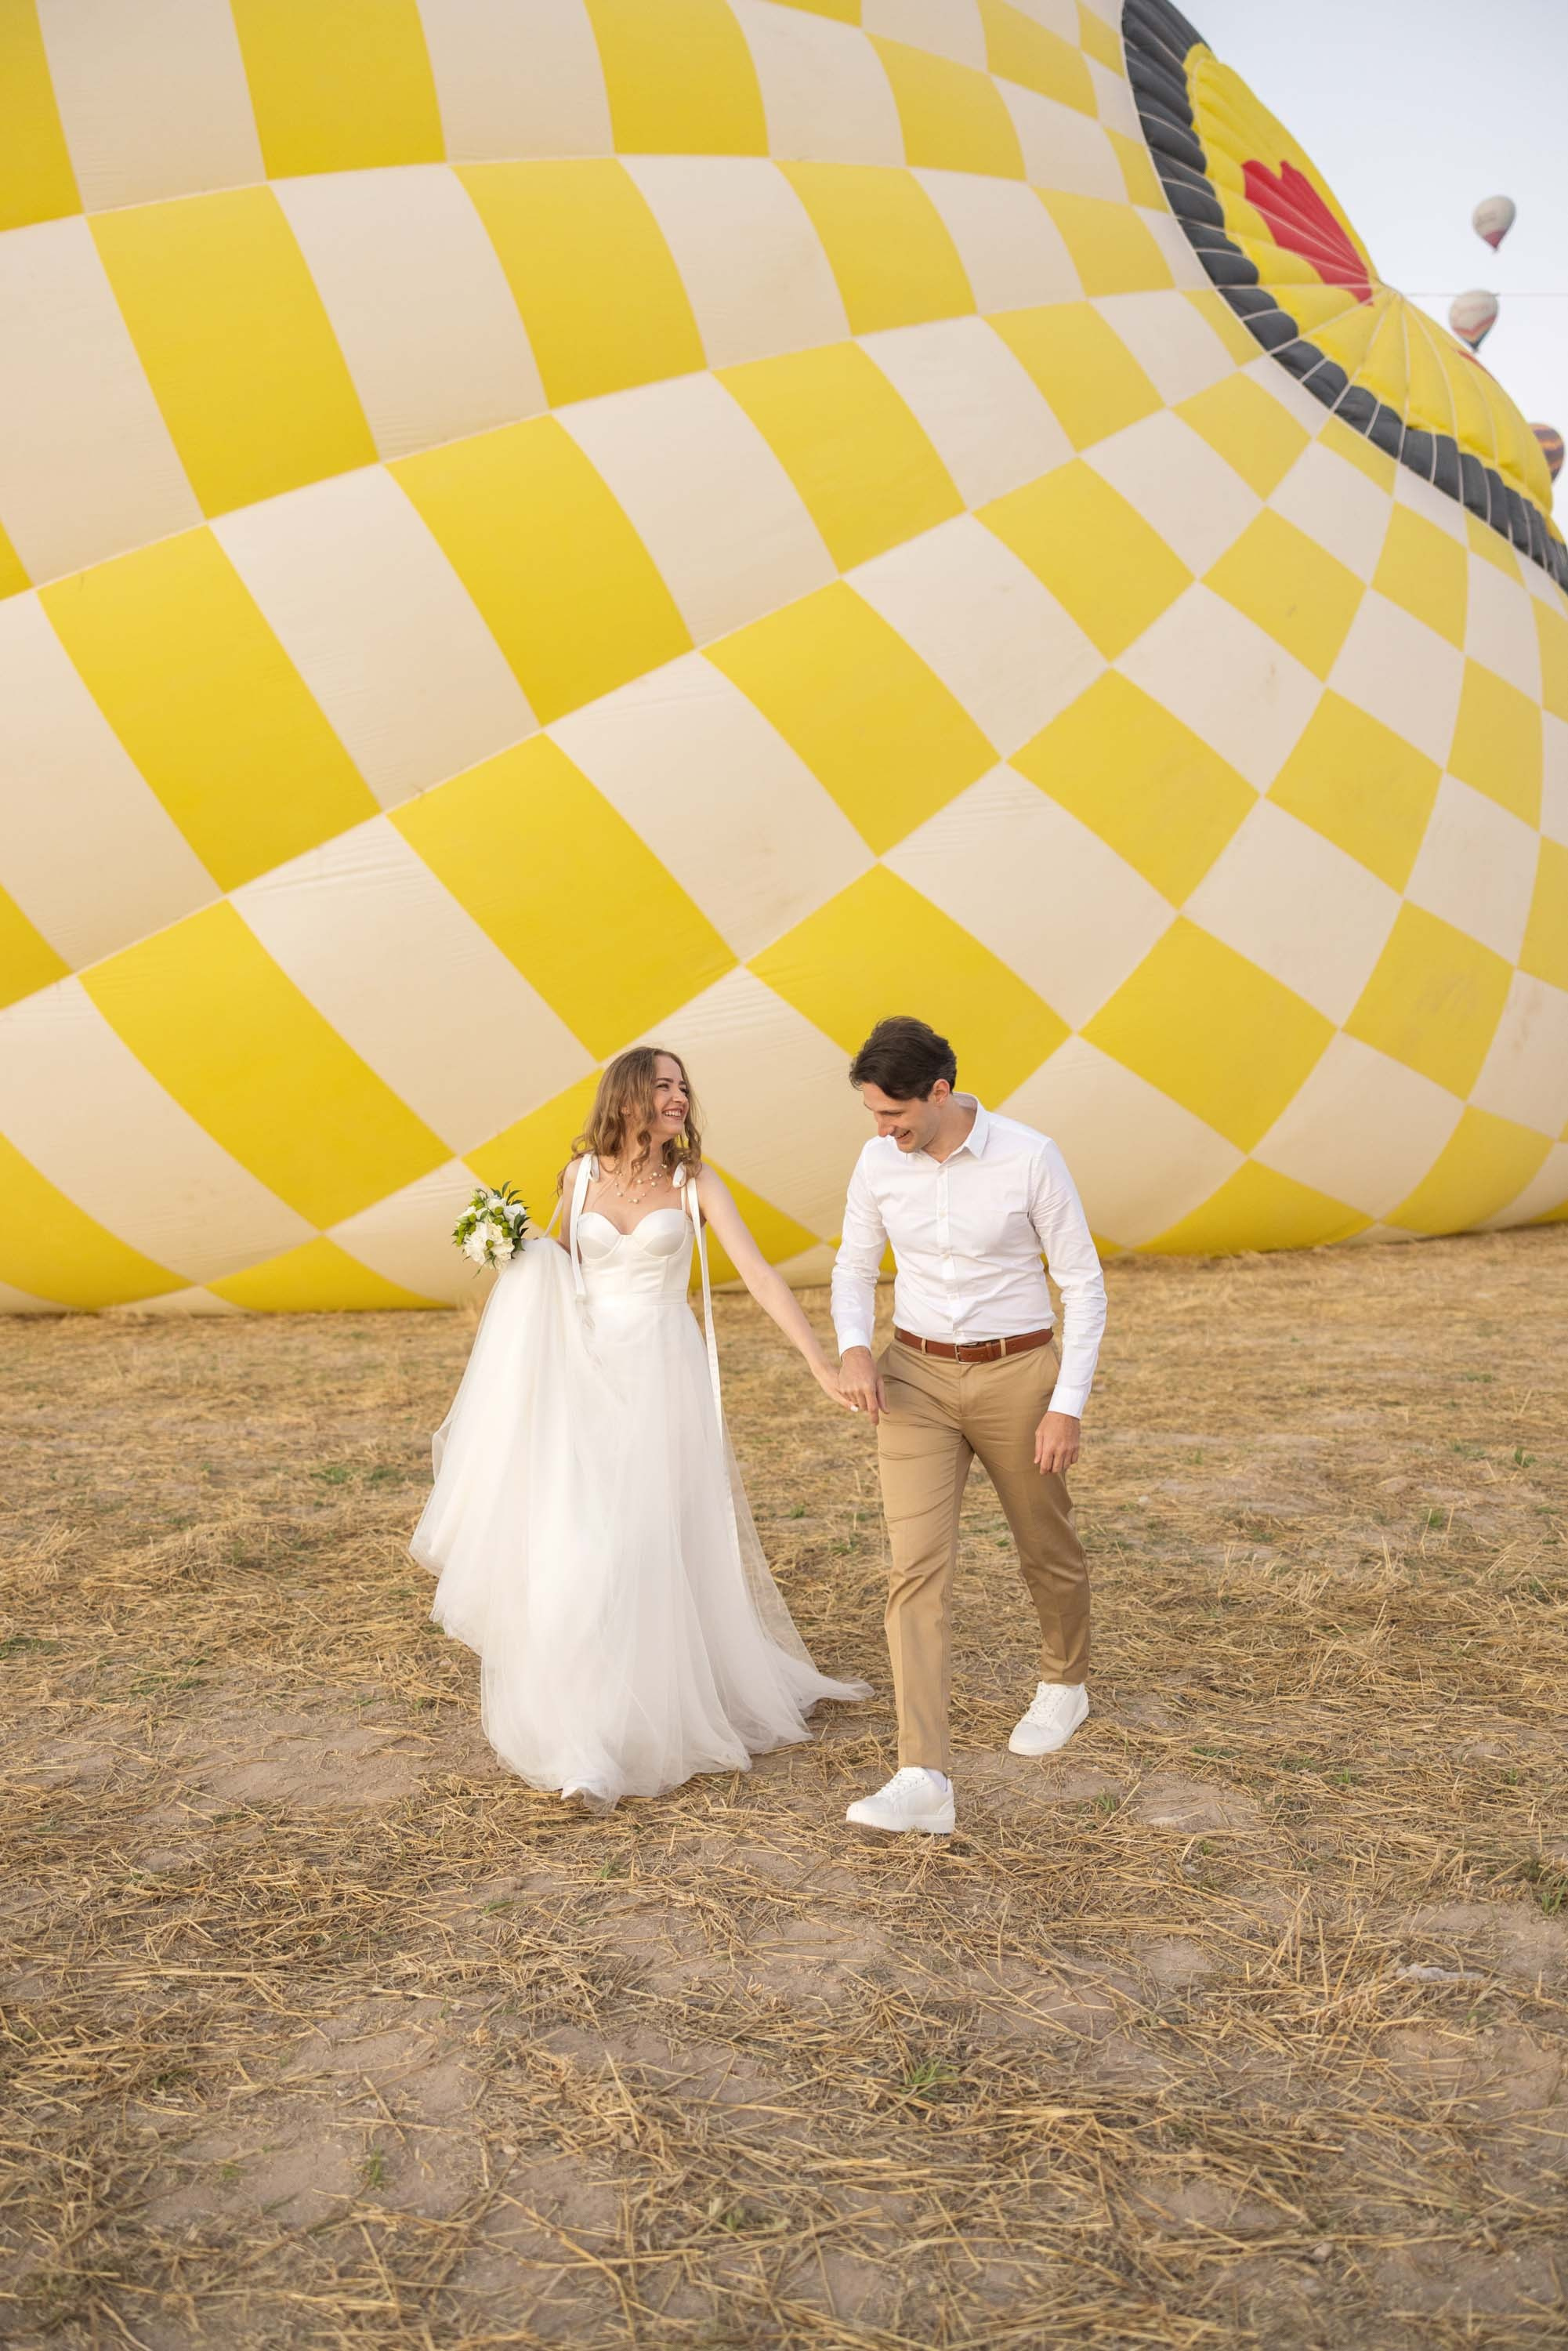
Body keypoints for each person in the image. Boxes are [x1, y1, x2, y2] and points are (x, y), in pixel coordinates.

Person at [412, 1047, 867, 1811]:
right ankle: (583, 1744)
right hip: (584, 1379)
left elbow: (755, 1273)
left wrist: (820, 1362)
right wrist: (511, 1247)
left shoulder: (695, 1182)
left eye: (683, 1085)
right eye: (663, 1084)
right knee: (580, 1546)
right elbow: (558, 1268)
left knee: (645, 1545)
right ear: (627, 1096)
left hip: (661, 1375)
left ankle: (635, 1728)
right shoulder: (579, 1177)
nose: (679, 1095)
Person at [832, 1017, 1106, 1836]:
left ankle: (1066, 1681)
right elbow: (852, 1265)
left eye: (894, 1116)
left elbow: (1084, 1286)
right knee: (914, 1567)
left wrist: (1067, 1404)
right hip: (912, 1377)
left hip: (1019, 1374)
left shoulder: (1030, 1156)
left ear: (940, 1092)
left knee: (1044, 1542)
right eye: (876, 1117)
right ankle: (923, 1776)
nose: (883, 1132)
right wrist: (854, 1349)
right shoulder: (878, 1162)